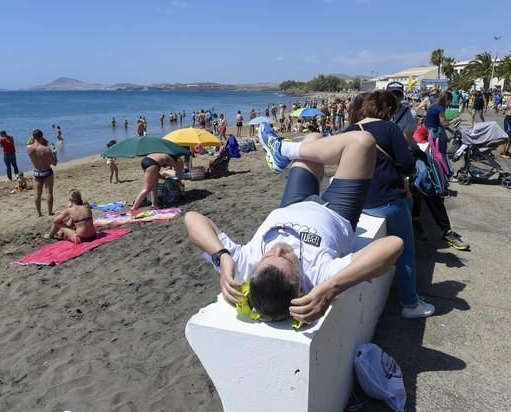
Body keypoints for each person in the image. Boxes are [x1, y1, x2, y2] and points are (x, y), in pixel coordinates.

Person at [185, 122, 403, 323]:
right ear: (300, 286)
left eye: (268, 256)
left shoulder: (244, 266)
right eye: (287, 258)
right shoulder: (321, 277)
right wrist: (331, 288)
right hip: (338, 212)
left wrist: (222, 256)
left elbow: (192, 219)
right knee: (362, 142)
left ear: (252, 276)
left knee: (313, 138)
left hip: (292, 204)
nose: (279, 248)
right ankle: (283, 150)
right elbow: (393, 245)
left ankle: (284, 151)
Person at [346, 91, 435, 318]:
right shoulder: (389, 129)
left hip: (359, 201)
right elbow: (406, 164)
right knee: (405, 250)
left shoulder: (349, 131)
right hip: (388, 200)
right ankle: (410, 304)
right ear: (387, 109)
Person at [387, 83, 470, 251]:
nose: (395, 98)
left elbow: (404, 141)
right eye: (392, 95)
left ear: (402, 96)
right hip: (389, 154)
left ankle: (446, 231)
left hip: (407, 151)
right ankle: (415, 222)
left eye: (398, 95)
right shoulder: (380, 113)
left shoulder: (408, 113)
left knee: (425, 182)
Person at [27, 129, 57, 217]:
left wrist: (34, 138)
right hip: (47, 171)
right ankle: (49, 212)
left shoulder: (28, 148)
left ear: (33, 137)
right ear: (42, 137)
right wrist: (55, 154)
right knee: (49, 193)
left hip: (37, 172)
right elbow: (54, 163)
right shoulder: (46, 149)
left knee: (37, 193)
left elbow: (29, 142)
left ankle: (39, 213)